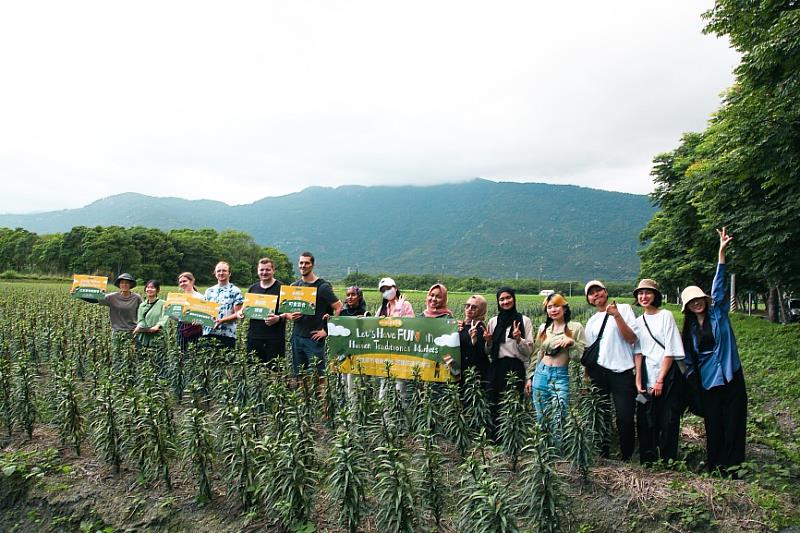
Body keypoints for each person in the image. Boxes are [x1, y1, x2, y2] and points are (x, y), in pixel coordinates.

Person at [681, 227, 747, 475]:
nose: (696, 303)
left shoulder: (718, 313)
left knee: (735, 421)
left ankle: (735, 466)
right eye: (691, 302)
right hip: (709, 382)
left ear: (705, 300)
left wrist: (721, 254)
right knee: (714, 424)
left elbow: (719, 286)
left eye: (699, 299)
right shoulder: (689, 332)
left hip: (731, 375)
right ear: (687, 307)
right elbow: (688, 361)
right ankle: (715, 465)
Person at [633, 278, 685, 464]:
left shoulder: (666, 316)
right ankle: (648, 459)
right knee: (646, 417)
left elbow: (670, 350)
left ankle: (668, 459)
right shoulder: (638, 321)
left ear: (655, 295)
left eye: (648, 293)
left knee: (668, 418)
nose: (644, 296)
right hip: (647, 372)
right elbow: (638, 352)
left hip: (667, 374)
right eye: (640, 293)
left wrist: (660, 380)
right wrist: (638, 379)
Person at [584, 280, 638, 460]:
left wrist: (616, 316)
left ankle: (627, 456)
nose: (596, 294)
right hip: (599, 373)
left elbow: (631, 338)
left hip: (622, 371)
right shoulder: (591, 321)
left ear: (606, 292)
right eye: (591, 293)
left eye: (598, 290)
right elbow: (590, 352)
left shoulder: (623, 309)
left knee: (625, 417)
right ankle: (603, 454)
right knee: (602, 416)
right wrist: (586, 377)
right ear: (589, 300)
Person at [525, 293, 586, 423]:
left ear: (564, 308)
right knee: (542, 416)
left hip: (560, 375)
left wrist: (572, 343)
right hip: (541, 373)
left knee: (559, 416)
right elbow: (536, 354)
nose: (553, 310)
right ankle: (545, 444)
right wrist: (530, 376)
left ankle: (558, 444)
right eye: (549, 307)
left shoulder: (575, 327)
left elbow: (581, 356)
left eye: (557, 306)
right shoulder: (543, 328)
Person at [484, 287, 534, 434]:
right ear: (498, 302)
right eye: (502, 299)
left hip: (515, 366)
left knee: (514, 402)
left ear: (514, 298)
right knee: (494, 401)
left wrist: (519, 339)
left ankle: (513, 437)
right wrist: (488, 342)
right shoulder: (493, 321)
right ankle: (495, 436)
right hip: (496, 366)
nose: (505, 301)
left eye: (508, 298)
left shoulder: (524, 321)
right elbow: (487, 351)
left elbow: (529, 352)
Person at [287, 252, 342, 375]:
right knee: (299, 375)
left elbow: (339, 307)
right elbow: (288, 311)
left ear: (312, 265)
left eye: (307, 263)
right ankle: (303, 395)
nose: (303, 265)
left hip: (313, 339)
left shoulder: (322, 286)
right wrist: (291, 316)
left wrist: (327, 330)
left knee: (317, 376)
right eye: (301, 263)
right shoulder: (294, 286)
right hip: (297, 337)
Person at [244, 257, 286, 366]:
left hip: (275, 338)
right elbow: (246, 309)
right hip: (254, 337)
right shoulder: (252, 288)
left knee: (275, 372)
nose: (264, 272)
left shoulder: (282, 288)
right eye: (261, 270)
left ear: (273, 270)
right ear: (257, 271)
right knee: (254, 370)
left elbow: (289, 313)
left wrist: (278, 318)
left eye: (267, 270)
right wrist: (241, 313)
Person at [202, 261, 244, 351]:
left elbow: (238, 314)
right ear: (215, 273)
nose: (221, 273)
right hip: (208, 333)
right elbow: (204, 311)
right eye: (218, 271)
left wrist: (221, 321)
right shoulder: (209, 291)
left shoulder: (235, 291)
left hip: (227, 334)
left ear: (229, 273)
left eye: (224, 271)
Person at [458, 295, 490, 386]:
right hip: (462, 372)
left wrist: (473, 339)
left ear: (481, 310)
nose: (469, 309)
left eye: (474, 307)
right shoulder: (462, 325)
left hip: (474, 375)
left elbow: (480, 353)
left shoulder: (480, 327)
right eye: (467, 305)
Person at [133, 280, 169, 349]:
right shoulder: (142, 305)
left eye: (152, 287)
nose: (149, 289)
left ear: (157, 290)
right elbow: (141, 320)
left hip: (158, 336)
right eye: (148, 287)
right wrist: (139, 327)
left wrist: (157, 326)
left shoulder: (163, 303)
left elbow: (164, 317)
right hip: (144, 336)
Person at [175, 271, 204, 351]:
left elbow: (204, 315)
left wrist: (199, 320)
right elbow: (176, 317)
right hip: (181, 326)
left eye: (184, 281)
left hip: (195, 327)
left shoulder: (200, 297)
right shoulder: (178, 298)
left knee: (195, 351)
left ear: (191, 281)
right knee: (181, 351)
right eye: (180, 282)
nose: (182, 283)